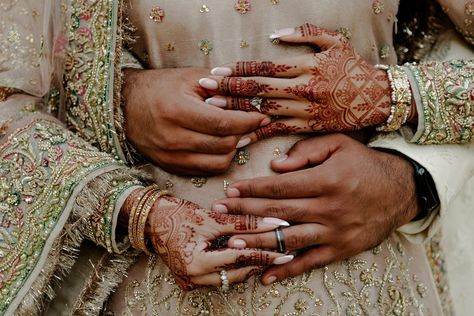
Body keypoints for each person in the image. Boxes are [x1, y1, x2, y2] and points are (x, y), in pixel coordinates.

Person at [0, 0, 472, 315]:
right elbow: (13, 89)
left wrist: (396, 108)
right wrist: (131, 198)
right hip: (152, 278)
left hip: (364, 280)